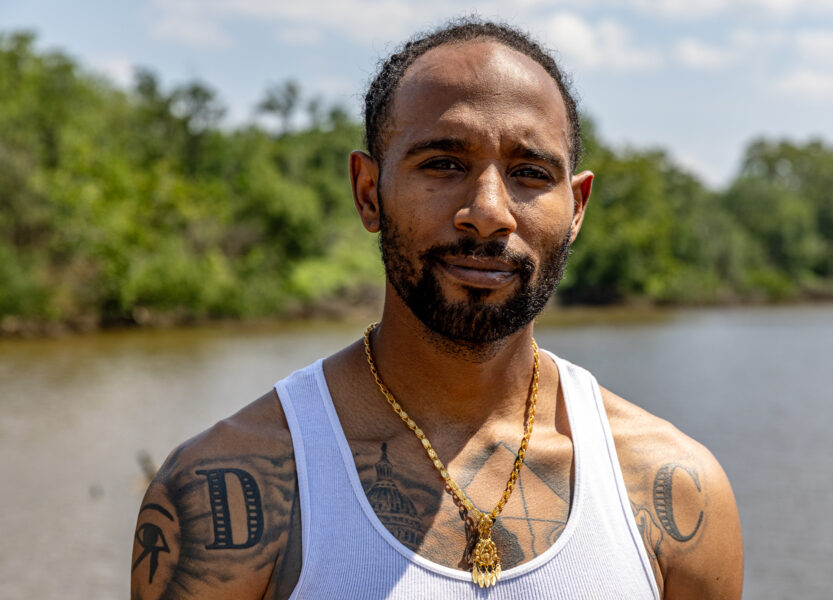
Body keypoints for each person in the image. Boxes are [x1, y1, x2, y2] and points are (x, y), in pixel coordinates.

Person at [131, 18, 743, 600]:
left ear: (576, 208)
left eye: (530, 173)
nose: (488, 210)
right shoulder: (226, 492)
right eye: (443, 164)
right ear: (368, 193)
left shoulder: (677, 493)